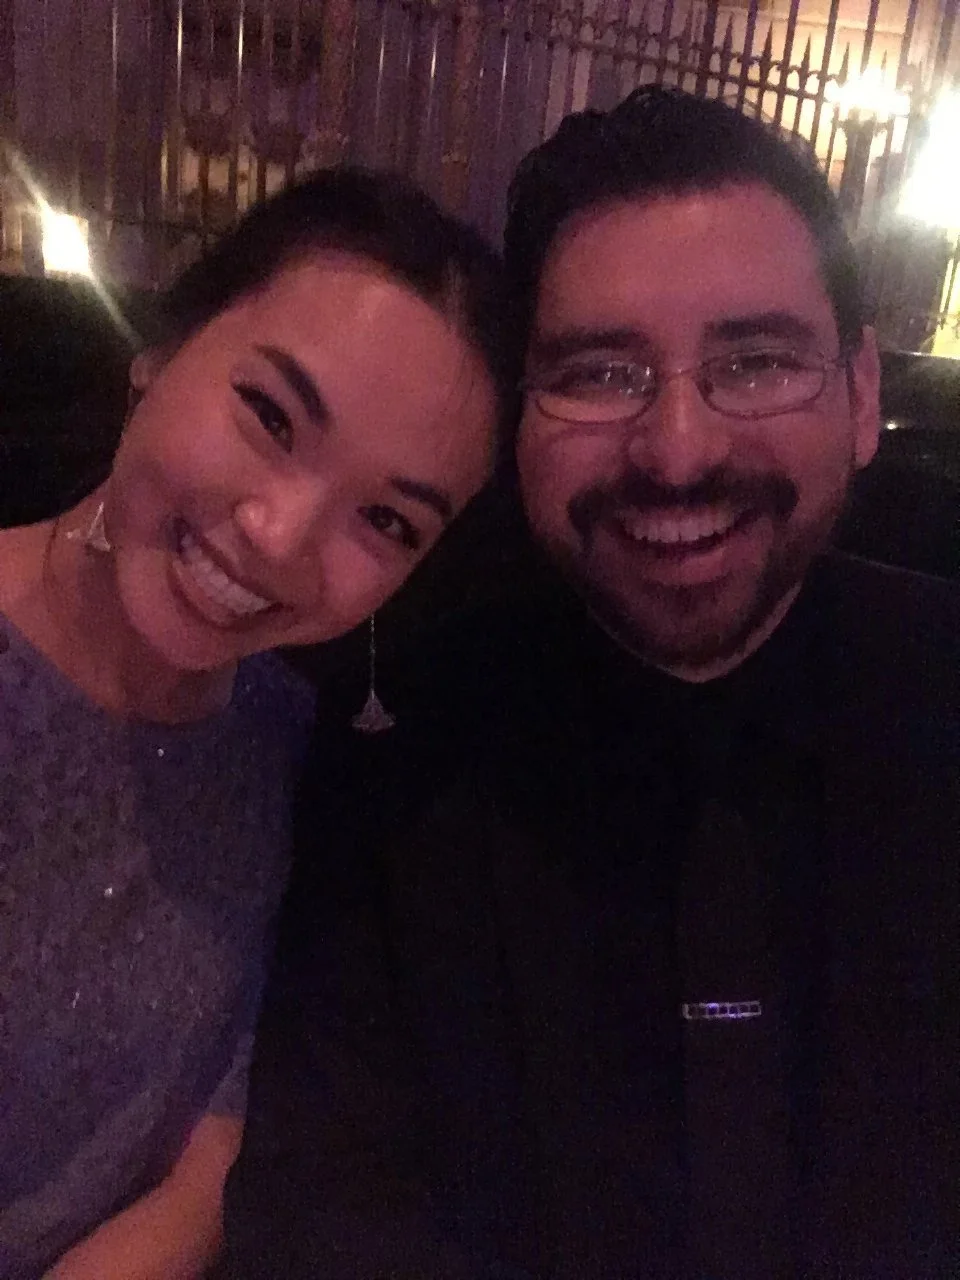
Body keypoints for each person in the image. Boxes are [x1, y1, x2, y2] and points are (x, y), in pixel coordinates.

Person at [218, 90, 959, 1278]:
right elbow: (324, 1214)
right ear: (520, 419)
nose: (677, 451)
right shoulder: (393, 746)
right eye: (601, 372)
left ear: (865, 394)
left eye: (757, 360)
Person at [0, 167, 512, 1279]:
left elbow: (210, 1160)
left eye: (385, 518)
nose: (281, 535)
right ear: (159, 353)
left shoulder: (297, 766)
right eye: (271, 415)